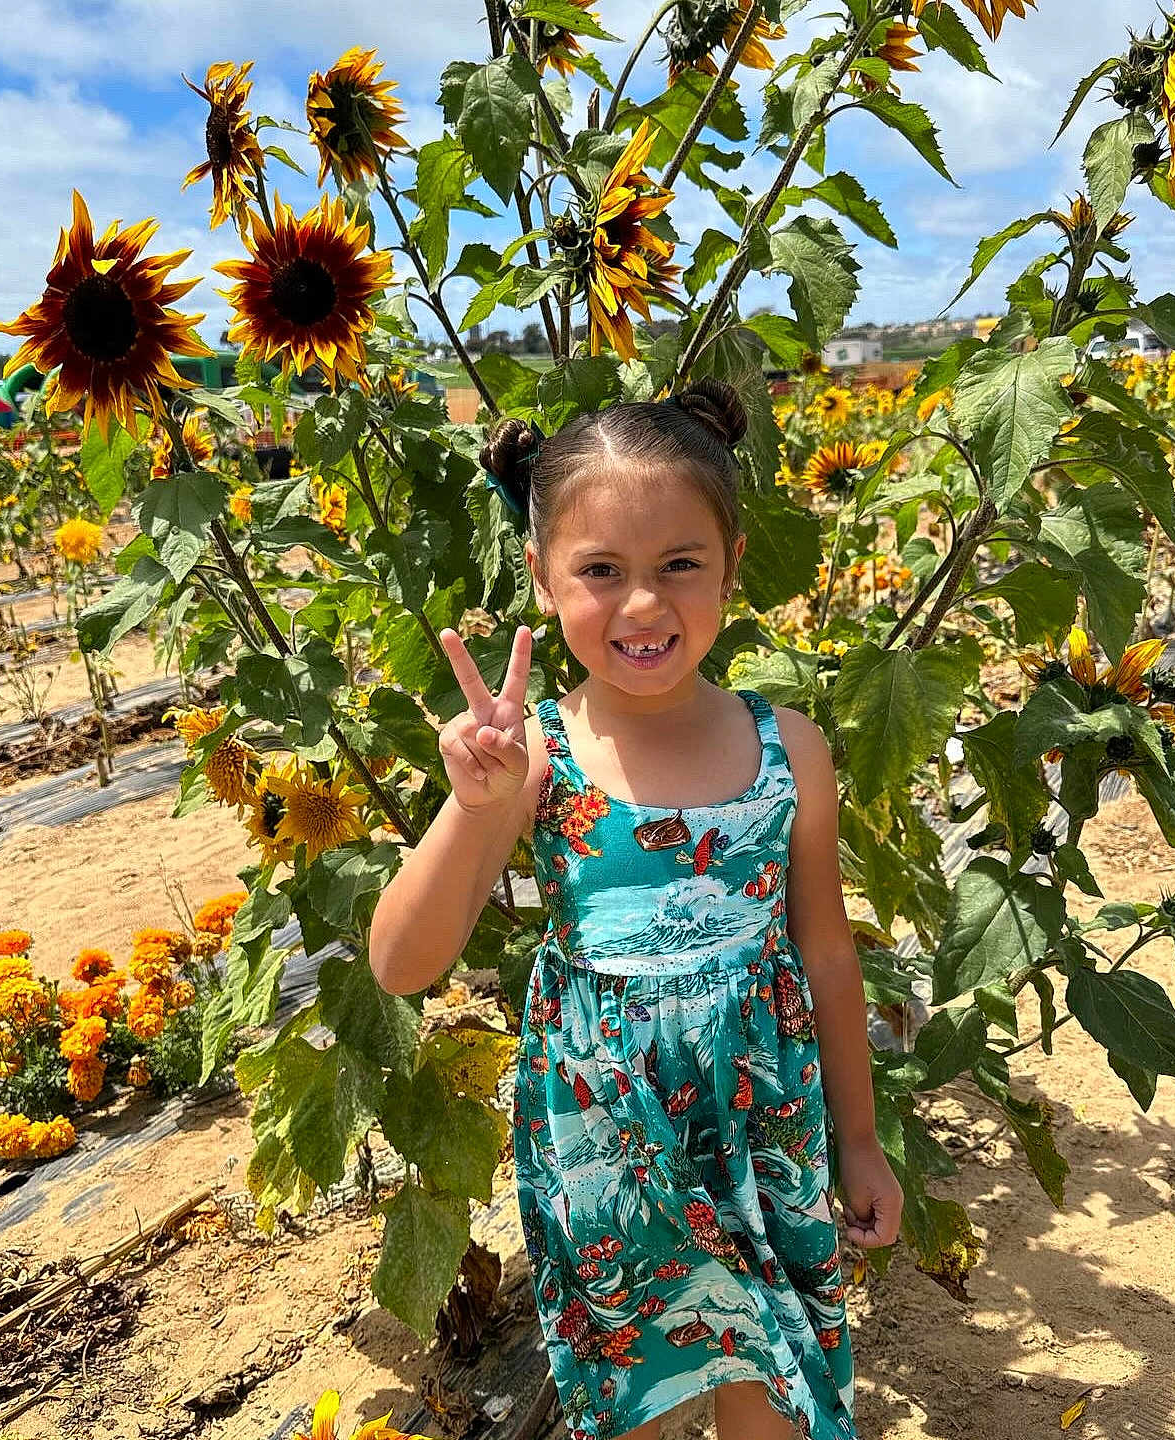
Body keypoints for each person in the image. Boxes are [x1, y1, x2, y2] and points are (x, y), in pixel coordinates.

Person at [369, 377, 902, 1440]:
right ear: (542, 575)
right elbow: (402, 964)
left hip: (764, 1125)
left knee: (777, 1388)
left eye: (679, 566)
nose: (643, 605)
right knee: (638, 1400)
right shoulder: (535, 760)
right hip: (609, 1145)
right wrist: (474, 811)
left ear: (733, 565)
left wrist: (860, 1137)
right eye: (601, 571)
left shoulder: (789, 748)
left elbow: (829, 956)